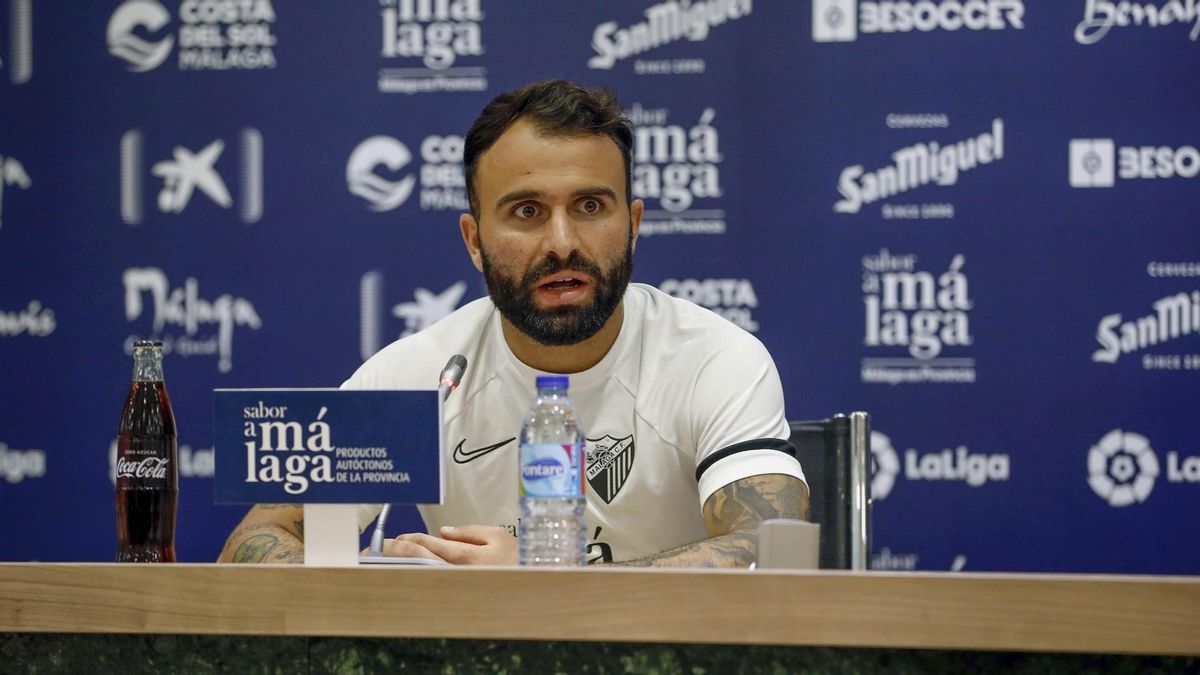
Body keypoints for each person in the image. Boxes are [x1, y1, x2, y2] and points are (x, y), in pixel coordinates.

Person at [218, 79, 808, 567]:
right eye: (527, 212)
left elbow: (773, 550)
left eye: (590, 207)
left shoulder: (712, 359)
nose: (562, 243)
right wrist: (380, 581)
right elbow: (256, 540)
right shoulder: (426, 374)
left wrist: (542, 581)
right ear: (474, 241)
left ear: (633, 225)